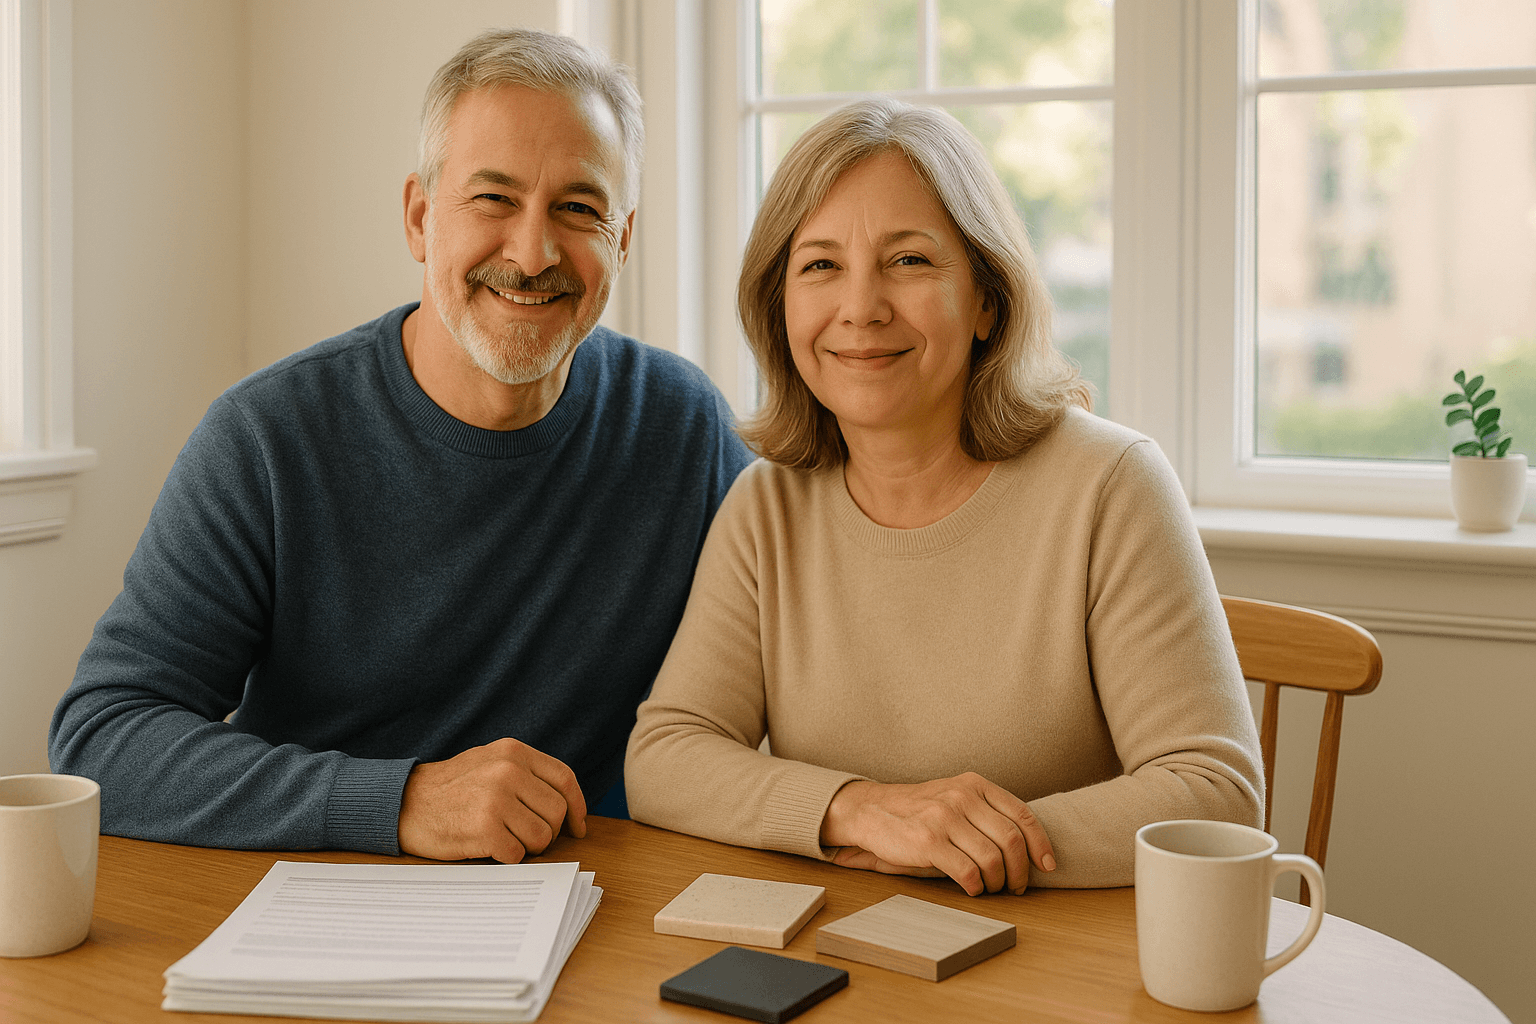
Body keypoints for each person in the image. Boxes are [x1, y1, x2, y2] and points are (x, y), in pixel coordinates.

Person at [49, 28, 752, 863]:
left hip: (591, 895)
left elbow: (799, 643)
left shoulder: (683, 427)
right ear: (420, 218)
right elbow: (101, 740)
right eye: (493, 199)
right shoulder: (266, 440)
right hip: (312, 894)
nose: (533, 253)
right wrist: (401, 801)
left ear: (622, 241)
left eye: (578, 209)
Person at [625, 98, 1264, 895]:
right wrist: (859, 811)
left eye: (909, 261)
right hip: (845, 947)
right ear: (779, 305)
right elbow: (665, 758)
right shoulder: (766, 507)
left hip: (1058, 954)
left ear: (987, 299)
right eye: (820, 266)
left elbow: (1215, 793)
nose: (861, 308)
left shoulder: (1110, 485)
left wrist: (955, 844)